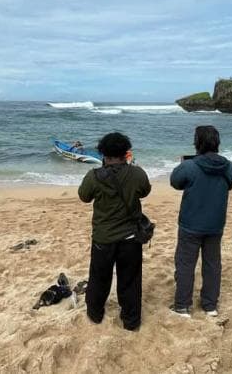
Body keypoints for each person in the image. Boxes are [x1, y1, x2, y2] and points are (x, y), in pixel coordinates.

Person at [78, 132, 151, 331]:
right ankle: (131, 321)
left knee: (99, 277)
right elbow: (145, 191)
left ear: (102, 153)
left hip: (103, 238)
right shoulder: (137, 173)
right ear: (126, 153)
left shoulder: (94, 176)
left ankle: (95, 314)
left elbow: (84, 196)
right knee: (130, 280)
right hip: (130, 237)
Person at [169, 125, 232, 318]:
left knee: (185, 264)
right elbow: (231, 183)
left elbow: (175, 182)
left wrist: (182, 165)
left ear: (197, 144)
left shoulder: (189, 166)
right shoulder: (229, 167)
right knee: (212, 264)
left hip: (190, 223)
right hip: (215, 224)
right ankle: (210, 306)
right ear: (217, 143)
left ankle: (182, 306)